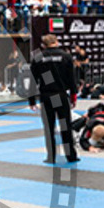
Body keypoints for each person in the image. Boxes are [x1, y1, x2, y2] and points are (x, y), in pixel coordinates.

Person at [29, 34, 79, 164]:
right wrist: (73, 96)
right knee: (65, 126)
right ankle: (71, 156)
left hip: (46, 96)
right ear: (56, 42)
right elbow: (72, 79)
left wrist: (31, 100)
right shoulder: (66, 56)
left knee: (49, 128)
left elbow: (33, 80)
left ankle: (51, 157)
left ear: (43, 45)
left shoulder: (38, 57)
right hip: (60, 95)